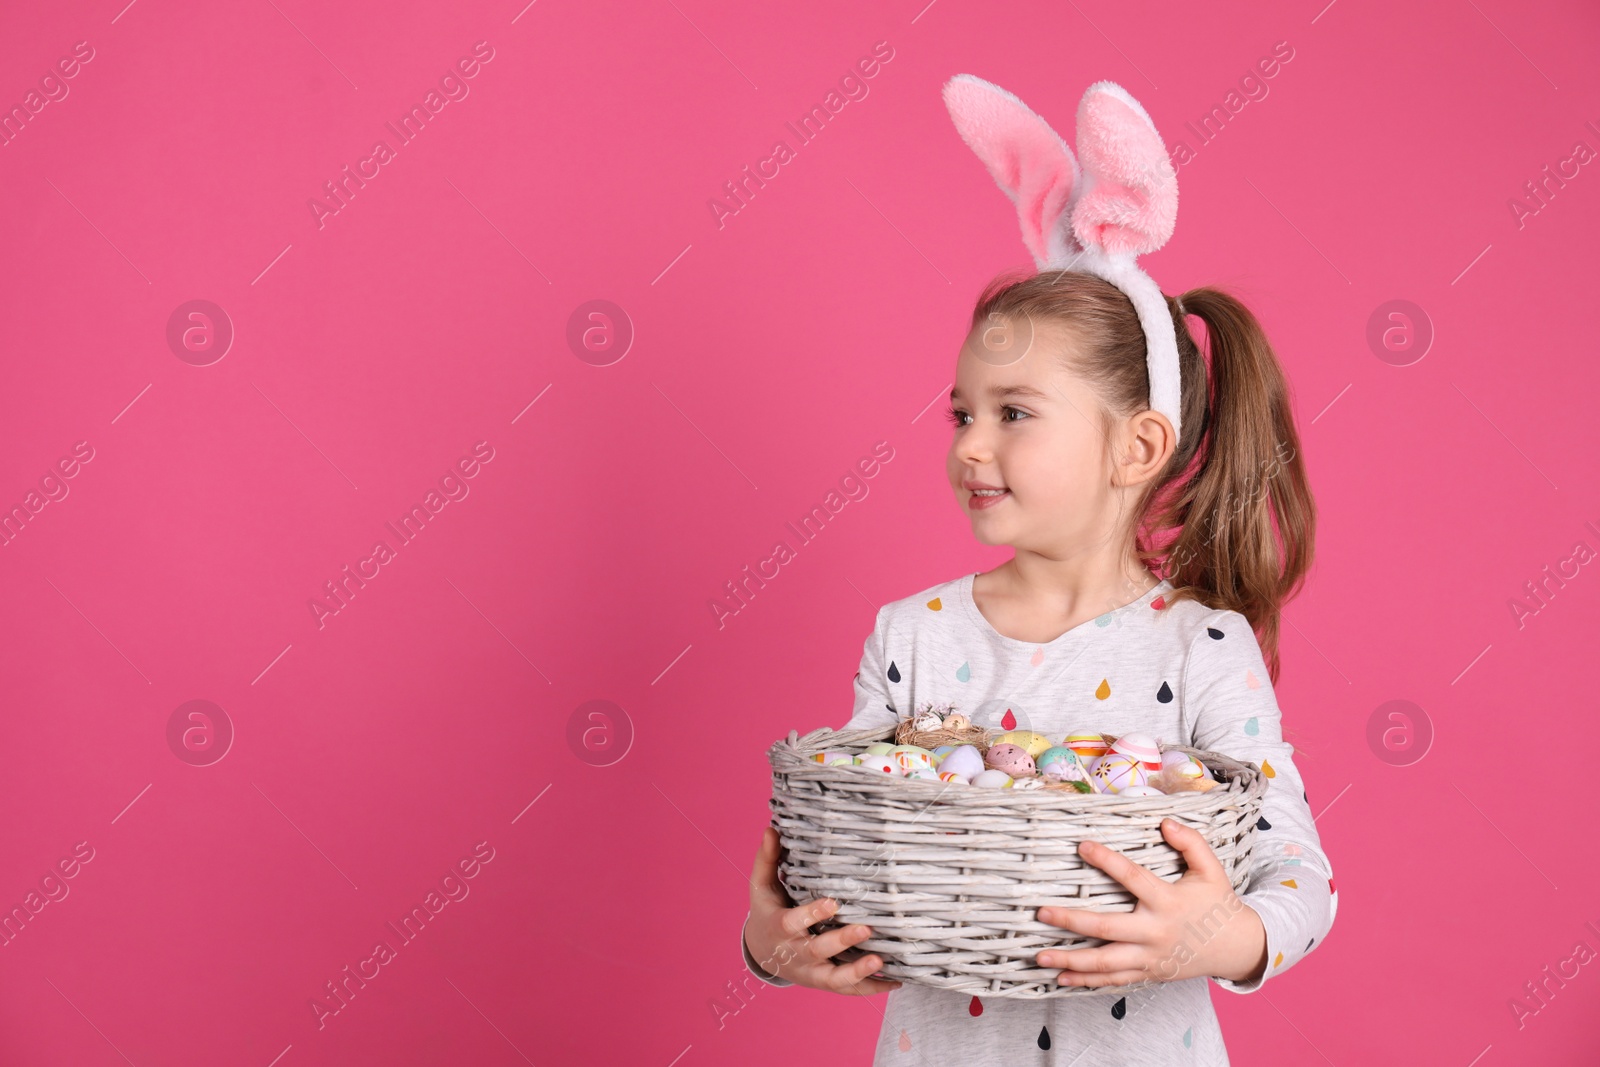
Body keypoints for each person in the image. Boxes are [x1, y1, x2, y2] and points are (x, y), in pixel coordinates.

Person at [740, 75, 1337, 1066]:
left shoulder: (1200, 645)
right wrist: (772, 941)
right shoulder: (914, 636)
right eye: (961, 413)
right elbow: (843, 841)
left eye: (1013, 413)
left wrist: (1216, 934)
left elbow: (1296, 871)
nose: (972, 445)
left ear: (1136, 445)